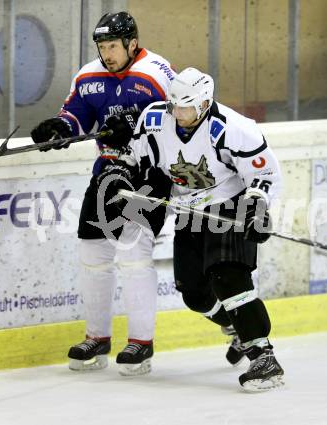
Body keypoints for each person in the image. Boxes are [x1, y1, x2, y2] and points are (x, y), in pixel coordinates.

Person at [100, 67, 285, 391]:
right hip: (188, 207)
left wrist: (257, 205)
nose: (178, 113)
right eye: (174, 105)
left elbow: (265, 173)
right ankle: (235, 329)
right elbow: (135, 158)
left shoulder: (232, 128)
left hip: (229, 202)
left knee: (227, 275)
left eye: (186, 107)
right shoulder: (157, 119)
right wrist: (121, 176)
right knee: (194, 293)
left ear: (204, 103)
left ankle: (263, 357)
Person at [30, 11, 175, 375]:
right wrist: (60, 128)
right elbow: (75, 114)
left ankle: (141, 343)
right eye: (102, 46)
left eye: (113, 46)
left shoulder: (157, 72)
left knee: (133, 256)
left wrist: (138, 130)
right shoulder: (88, 75)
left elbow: (180, 121)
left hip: (149, 176)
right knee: (93, 253)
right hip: (108, 174)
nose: (107, 53)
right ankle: (98, 337)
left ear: (132, 43)